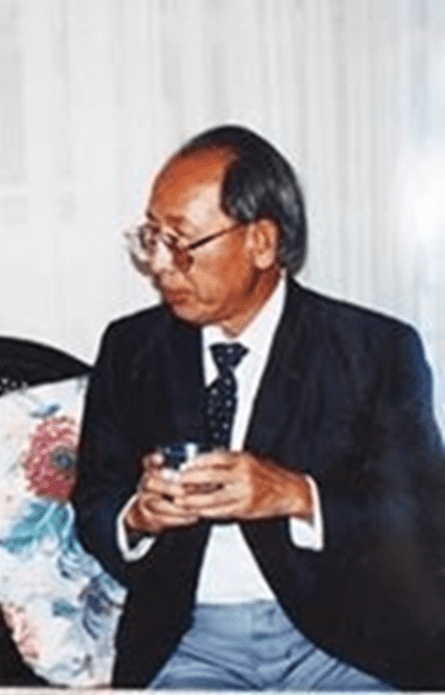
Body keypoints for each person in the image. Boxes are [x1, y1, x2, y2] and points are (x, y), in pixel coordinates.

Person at [71, 124, 445, 690]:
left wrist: (297, 496)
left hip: (343, 642)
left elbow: (420, 519)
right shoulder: (132, 348)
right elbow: (95, 499)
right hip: (192, 644)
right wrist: (137, 517)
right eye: (152, 237)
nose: (160, 264)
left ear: (262, 243)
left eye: (181, 241)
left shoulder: (373, 350)